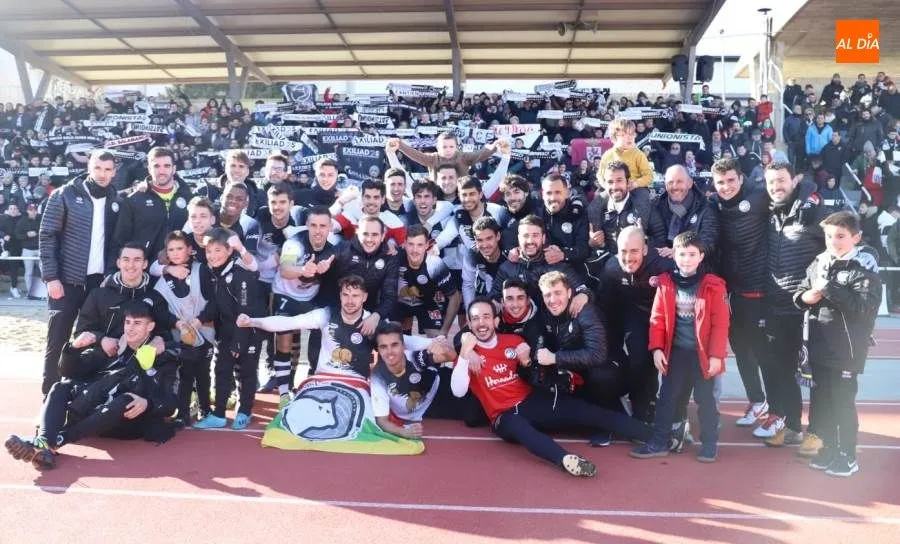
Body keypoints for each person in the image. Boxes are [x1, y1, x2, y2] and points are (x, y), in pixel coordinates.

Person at [450, 298, 653, 477]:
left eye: (486, 317)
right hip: (503, 415)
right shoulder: (467, 353)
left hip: (532, 402)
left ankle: (656, 436)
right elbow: (458, 391)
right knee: (523, 431)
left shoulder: (514, 342)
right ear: (469, 323)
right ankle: (566, 460)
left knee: (588, 412)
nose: (481, 323)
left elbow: (534, 374)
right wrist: (465, 354)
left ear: (495, 321)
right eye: (475, 318)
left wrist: (527, 360)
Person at [4, 300, 179, 470]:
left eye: (137, 323)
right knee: (60, 386)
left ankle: (55, 440)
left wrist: (147, 403)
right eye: (127, 322)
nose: (130, 328)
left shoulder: (163, 355)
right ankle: (45, 441)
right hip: (91, 412)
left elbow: (170, 403)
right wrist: (72, 349)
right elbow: (71, 371)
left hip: (126, 422)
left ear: (150, 327)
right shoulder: (114, 346)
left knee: (126, 399)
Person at [630, 231, 729, 462]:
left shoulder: (713, 285)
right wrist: (656, 349)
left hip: (703, 354)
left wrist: (716, 356)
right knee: (666, 397)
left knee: (706, 400)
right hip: (676, 353)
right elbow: (657, 319)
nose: (686, 259)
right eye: (682, 254)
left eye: (692, 254)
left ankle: (710, 443)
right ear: (674, 255)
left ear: (701, 256)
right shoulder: (665, 283)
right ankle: (659, 442)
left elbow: (720, 324)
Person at [796, 211, 881, 477]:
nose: (834, 241)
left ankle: (847, 455)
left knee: (842, 403)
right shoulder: (819, 263)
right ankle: (829, 448)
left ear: (856, 238)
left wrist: (828, 287)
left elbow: (863, 308)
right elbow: (800, 294)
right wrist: (805, 296)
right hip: (818, 348)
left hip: (846, 351)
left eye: (841, 236)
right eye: (829, 236)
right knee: (822, 403)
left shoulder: (864, 269)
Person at [39, 150, 122, 394]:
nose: (103, 174)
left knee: (92, 340)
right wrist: (51, 277)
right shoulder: (65, 194)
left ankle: (83, 393)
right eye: (98, 168)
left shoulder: (117, 200)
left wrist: (109, 276)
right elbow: (47, 236)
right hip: (65, 281)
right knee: (58, 340)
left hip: (99, 284)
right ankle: (49, 395)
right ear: (89, 167)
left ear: (114, 172)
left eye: (108, 169)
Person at [760, 161, 827, 449]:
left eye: (782, 181)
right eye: (771, 182)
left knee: (817, 375)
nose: (777, 187)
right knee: (783, 372)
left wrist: (819, 291)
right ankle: (791, 427)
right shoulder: (771, 214)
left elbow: (834, 248)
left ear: (794, 180)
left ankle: (818, 432)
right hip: (777, 308)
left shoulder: (813, 211)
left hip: (809, 309)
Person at [710, 158, 773, 429]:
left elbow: (798, 187)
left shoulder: (759, 196)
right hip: (730, 291)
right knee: (740, 350)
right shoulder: (713, 206)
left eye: (731, 181)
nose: (726, 187)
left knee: (763, 352)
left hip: (758, 290)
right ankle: (757, 400)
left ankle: (777, 408)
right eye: (720, 182)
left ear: (741, 179)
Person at [597, 227, 675, 424]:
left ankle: (657, 404)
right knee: (637, 359)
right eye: (623, 251)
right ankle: (638, 407)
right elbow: (603, 305)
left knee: (664, 363)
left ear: (646, 250)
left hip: (663, 315)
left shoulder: (663, 263)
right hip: (632, 313)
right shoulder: (612, 268)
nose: (628, 257)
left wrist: (678, 252)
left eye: (634, 251)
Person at [192, 227, 267, 430]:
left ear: (229, 251)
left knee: (247, 372)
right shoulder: (214, 273)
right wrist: (199, 320)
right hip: (226, 331)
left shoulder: (240, 274)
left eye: (218, 250)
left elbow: (245, 311)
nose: (212, 255)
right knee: (221, 370)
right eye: (209, 251)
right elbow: (216, 304)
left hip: (248, 332)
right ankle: (218, 415)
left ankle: (244, 411)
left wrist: (238, 342)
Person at [268, 206, 337, 398]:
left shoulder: (332, 250)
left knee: (320, 339)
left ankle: (313, 382)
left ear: (330, 227)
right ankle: (283, 393)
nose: (318, 230)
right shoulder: (294, 244)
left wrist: (327, 270)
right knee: (285, 342)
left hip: (310, 299)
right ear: (306, 225)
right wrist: (303, 271)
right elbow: (285, 269)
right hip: (284, 295)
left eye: (323, 226)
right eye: (313, 225)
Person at [152, 231, 214, 426]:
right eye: (171, 250)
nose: (176, 253)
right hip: (179, 334)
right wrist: (177, 323)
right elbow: (159, 310)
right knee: (184, 373)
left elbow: (213, 302)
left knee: (203, 372)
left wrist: (199, 320)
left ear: (189, 249)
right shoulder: (163, 279)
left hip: (203, 332)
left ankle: (205, 408)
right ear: (166, 253)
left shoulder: (201, 270)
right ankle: (183, 412)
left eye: (180, 248)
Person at [370, 323, 462, 438]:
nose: (390, 352)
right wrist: (405, 432)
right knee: (473, 416)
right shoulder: (377, 377)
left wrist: (443, 349)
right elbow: (381, 421)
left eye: (394, 345)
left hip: (442, 389)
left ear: (403, 345)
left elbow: (452, 356)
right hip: (430, 411)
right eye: (384, 347)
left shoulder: (415, 357)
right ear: (378, 349)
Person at [111, 146, 194, 261]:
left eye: (166, 166)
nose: (161, 171)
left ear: (174, 169)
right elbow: (120, 240)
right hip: (144, 271)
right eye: (156, 166)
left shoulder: (189, 198)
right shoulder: (134, 200)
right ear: (149, 169)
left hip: (181, 270)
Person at [394, 225, 460, 337]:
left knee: (438, 342)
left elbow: (455, 297)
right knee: (389, 334)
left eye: (419, 245)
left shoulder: (435, 264)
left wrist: (444, 331)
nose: (415, 250)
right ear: (404, 243)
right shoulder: (395, 257)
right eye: (411, 244)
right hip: (400, 302)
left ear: (427, 245)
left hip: (428, 303)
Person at [388, 132, 497, 179]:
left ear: (457, 147)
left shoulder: (463, 157)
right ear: (438, 148)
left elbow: (481, 154)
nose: (448, 150)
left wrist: (495, 146)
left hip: (460, 197)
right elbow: (417, 155)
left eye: (451, 147)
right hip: (437, 198)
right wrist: (400, 145)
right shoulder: (433, 158)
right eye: (444, 147)